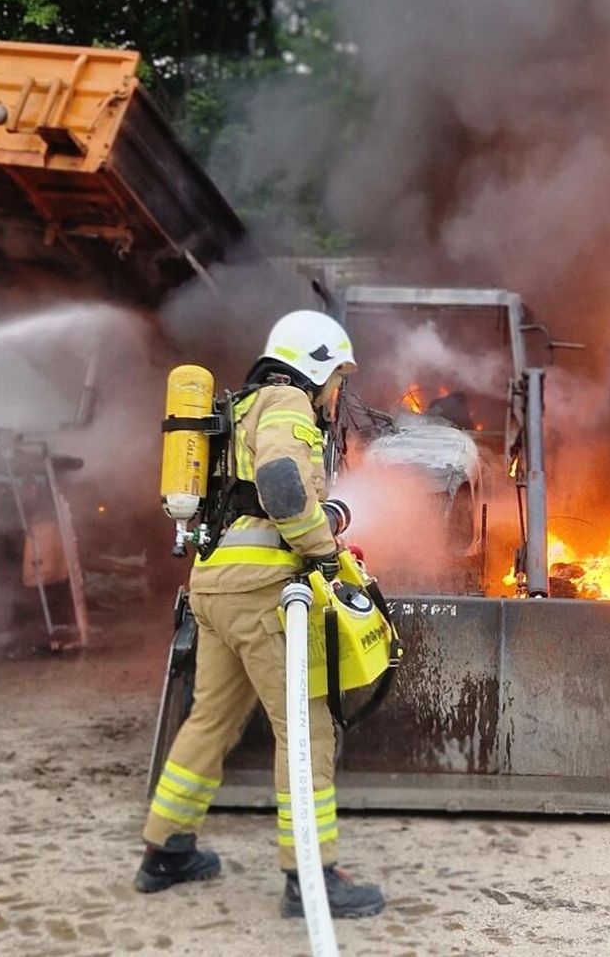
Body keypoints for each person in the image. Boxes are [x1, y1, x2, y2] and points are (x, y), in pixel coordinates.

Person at [135, 310, 386, 919]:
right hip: (261, 594)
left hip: (214, 586)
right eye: (335, 378)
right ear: (317, 366)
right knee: (306, 728)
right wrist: (322, 551)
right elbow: (280, 483)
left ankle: (166, 849)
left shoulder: (240, 406)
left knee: (211, 718)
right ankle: (311, 878)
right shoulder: (285, 403)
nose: (335, 394)